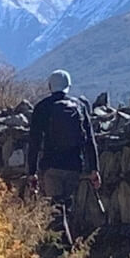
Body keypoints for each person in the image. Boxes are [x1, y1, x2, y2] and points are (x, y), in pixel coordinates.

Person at [27, 70, 102, 204]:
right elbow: (90, 140)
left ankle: (59, 224)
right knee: (68, 206)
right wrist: (94, 169)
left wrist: (32, 172)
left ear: (50, 86)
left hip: (51, 165)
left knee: (55, 209)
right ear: (68, 86)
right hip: (74, 166)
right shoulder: (79, 106)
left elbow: (34, 142)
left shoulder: (42, 107)